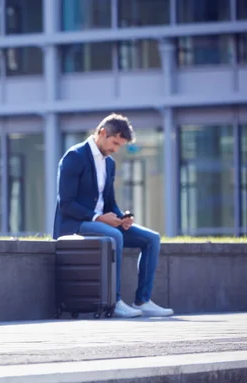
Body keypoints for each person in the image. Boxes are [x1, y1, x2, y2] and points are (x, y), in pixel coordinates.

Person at [53, 113, 173, 318]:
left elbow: (109, 202)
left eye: (120, 146)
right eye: (115, 143)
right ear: (102, 133)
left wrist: (122, 217)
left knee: (151, 239)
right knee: (114, 236)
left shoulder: (109, 163)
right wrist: (99, 218)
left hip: (102, 223)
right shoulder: (75, 156)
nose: (116, 150)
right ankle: (114, 301)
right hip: (74, 225)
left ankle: (143, 300)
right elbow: (66, 204)